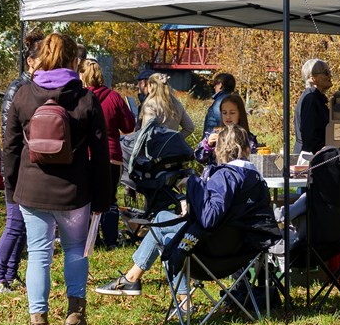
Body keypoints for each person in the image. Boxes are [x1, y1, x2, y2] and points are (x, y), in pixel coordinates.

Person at [1, 32, 112, 325]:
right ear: (72, 60)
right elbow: (101, 155)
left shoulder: (23, 95)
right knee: (76, 250)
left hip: (31, 189)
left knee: (39, 253)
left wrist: (11, 187)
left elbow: (9, 147)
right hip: (75, 191)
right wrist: (103, 198)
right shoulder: (87, 99)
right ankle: (75, 313)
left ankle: (38, 323)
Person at [97, 124, 259, 299]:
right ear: (248, 148)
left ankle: (131, 278)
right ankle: (183, 302)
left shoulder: (224, 177)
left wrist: (194, 188)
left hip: (212, 252)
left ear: (219, 150)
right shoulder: (256, 178)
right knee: (165, 230)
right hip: (240, 251)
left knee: (162, 228)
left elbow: (210, 219)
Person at [0, 31, 44, 294]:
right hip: (14, 165)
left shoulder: (33, 87)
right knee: (14, 224)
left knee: (22, 225)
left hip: (26, 165)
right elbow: (7, 133)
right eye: (42, 60)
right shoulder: (18, 88)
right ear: (30, 61)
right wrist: (9, 170)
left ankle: (10, 275)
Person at [83, 58, 135, 248]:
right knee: (110, 199)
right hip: (112, 155)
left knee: (88, 200)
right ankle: (111, 240)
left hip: (87, 154)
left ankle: (91, 240)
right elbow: (129, 126)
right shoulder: (114, 97)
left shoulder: (81, 97)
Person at [195, 92, 258, 167]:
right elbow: (199, 158)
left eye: (232, 113)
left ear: (240, 114)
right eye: (224, 113)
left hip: (238, 175)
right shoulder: (215, 133)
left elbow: (254, 161)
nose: (228, 116)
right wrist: (208, 145)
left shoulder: (248, 138)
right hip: (216, 176)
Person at [293, 58, 332, 158]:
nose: (330, 75)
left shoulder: (315, 99)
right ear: (312, 78)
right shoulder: (311, 99)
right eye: (326, 72)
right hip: (311, 159)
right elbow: (309, 135)